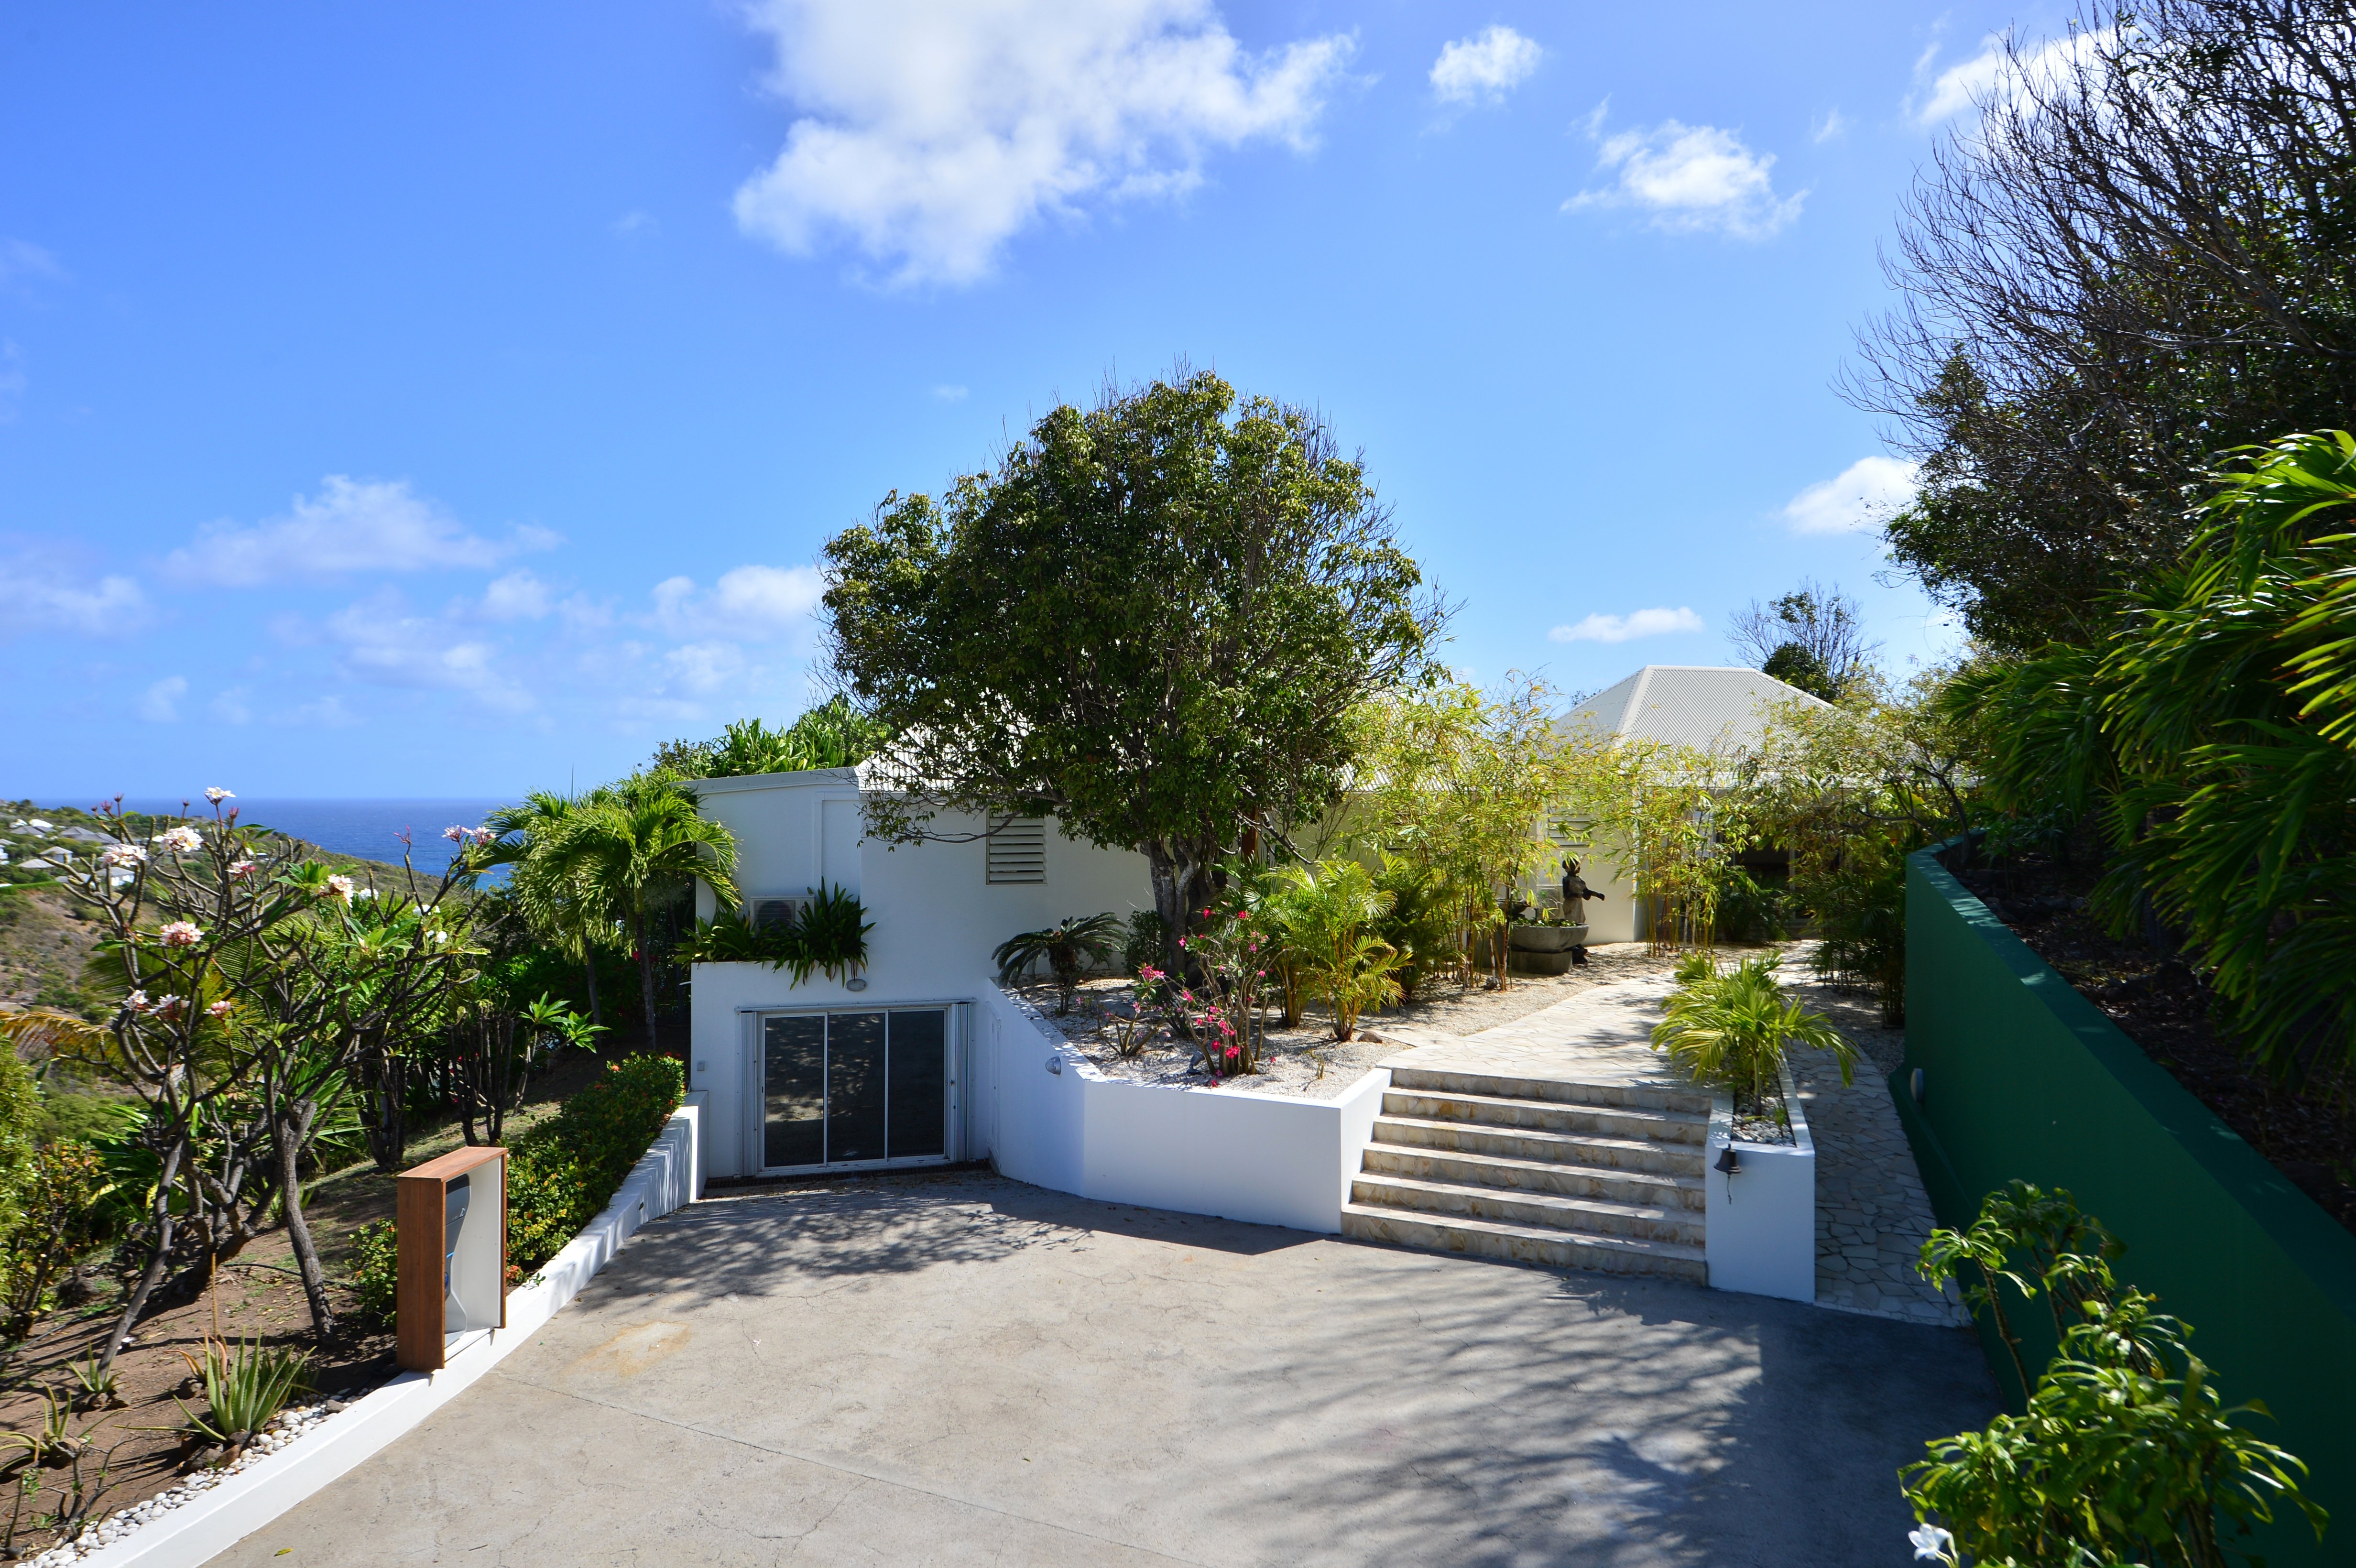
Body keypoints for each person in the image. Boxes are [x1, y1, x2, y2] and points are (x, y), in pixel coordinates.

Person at [1560, 858, 1606, 965]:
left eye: (1578, 866)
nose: (1578, 868)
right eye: (1575, 866)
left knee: (1580, 922)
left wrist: (1597, 895)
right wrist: (1581, 895)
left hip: (1578, 905)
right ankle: (1572, 947)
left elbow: (1587, 891)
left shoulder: (1580, 880)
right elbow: (1566, 895)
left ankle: (1577, 945)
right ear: (1567, 868)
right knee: (1572, 923)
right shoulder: (1567, 880)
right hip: (1571, 905)